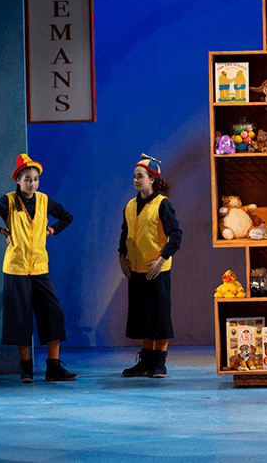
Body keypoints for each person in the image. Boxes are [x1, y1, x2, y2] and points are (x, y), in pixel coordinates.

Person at [0, 154, 77, 383]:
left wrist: (52, 230)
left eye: (36, 179)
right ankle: (26, 368)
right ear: (18, 180)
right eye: (27, 179)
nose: (33, 183)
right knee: (20, 319)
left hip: (39, 266)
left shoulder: (44, 200)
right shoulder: (7, 201)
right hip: (16, 268)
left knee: (53, 313)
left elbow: (66, 217)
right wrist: (2, 231)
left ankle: (53, 367)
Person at [119, 154, 182, 378]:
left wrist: (162, 259)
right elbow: (125, 234)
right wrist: (122, 257)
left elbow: (175, 235)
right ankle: (145, 361)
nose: (136, 180)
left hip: (157, 272)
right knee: (142, 319)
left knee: (159, 318)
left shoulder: (162, 205)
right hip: (136, 271)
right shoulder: (129, 206)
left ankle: (159, 363)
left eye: (140, 176)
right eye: (134, 176)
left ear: (152, 179)